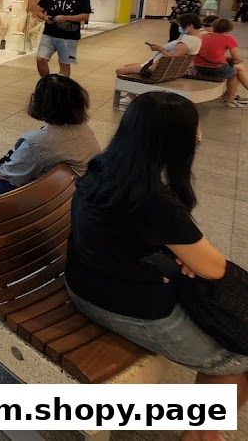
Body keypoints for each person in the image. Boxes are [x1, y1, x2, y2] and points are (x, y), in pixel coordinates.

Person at [67, 92, 248, 431]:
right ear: (173, 141)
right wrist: (189, 257)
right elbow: (212, 268)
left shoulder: (106, 166)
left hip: (86, 282)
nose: (200, 136)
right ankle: (202, 436)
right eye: (195, 129)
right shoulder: (152, 198)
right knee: (236, 358)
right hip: (117, 303)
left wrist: (179, 255)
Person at [0, 75, 99, 202]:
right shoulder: (84, 128)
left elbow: (9, 174)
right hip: (76, 190)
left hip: (52, 196)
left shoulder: (38, 142)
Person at [34, 0, 92, 78]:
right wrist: (45, 17)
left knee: (64, 63)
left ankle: (61, 85)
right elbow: (39, 11)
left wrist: (66, 18)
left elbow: (85, 16)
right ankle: (46, 82)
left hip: (69, 37)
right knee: (40, 59)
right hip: (49, 34)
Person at [115, 14, 202, 78]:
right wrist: (161, 48)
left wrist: (160, 49)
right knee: (128, 66)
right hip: (160, 65)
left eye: (180, 26)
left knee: (120, 71)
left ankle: (130, 93)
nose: (179, 28)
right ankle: (131, 93)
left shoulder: (187, 41)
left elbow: (174, 59)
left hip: (160, 68)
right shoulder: (196, 38)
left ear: (190, 26)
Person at [193, 17, 248, 108]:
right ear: (230, 29)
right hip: (215, 68)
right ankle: (229, 99)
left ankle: (228, 95)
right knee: (236, 72)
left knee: (238, 68)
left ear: (214, 26)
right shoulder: (229, 38)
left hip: (198, 66)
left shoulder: (205, 35)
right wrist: (231, 60)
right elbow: (236, 58)